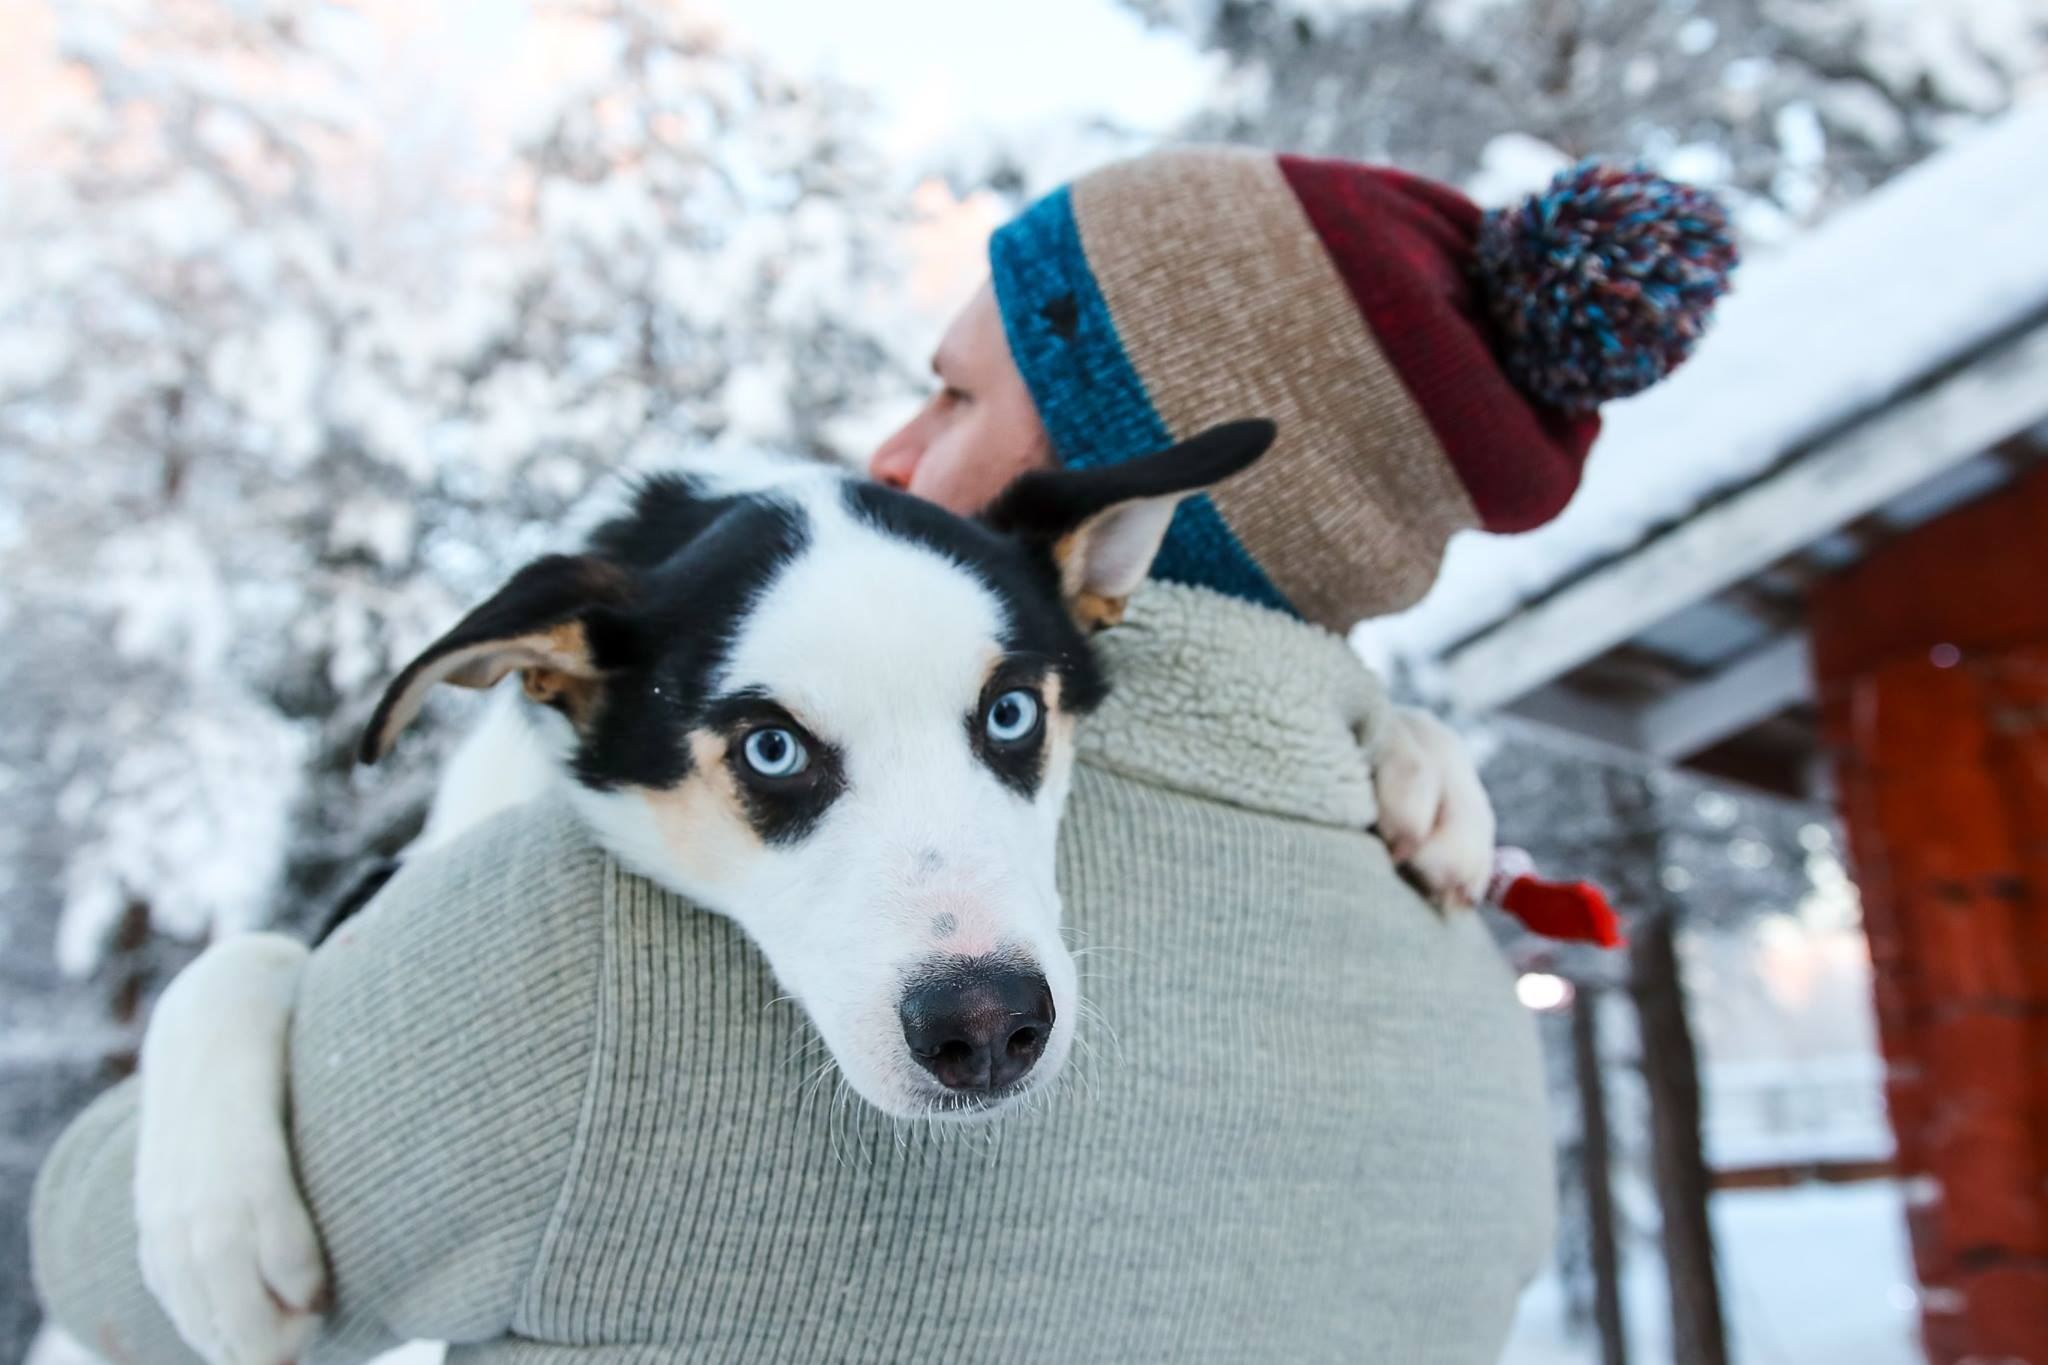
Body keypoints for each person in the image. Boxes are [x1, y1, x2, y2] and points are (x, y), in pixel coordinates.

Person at [32, 148, 1733, 1364]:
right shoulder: (1450, 948)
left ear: (1123, 488)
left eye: (953, 402)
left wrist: (232, 1001)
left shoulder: (585, 956)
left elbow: (121, 1282)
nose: (886, 454)